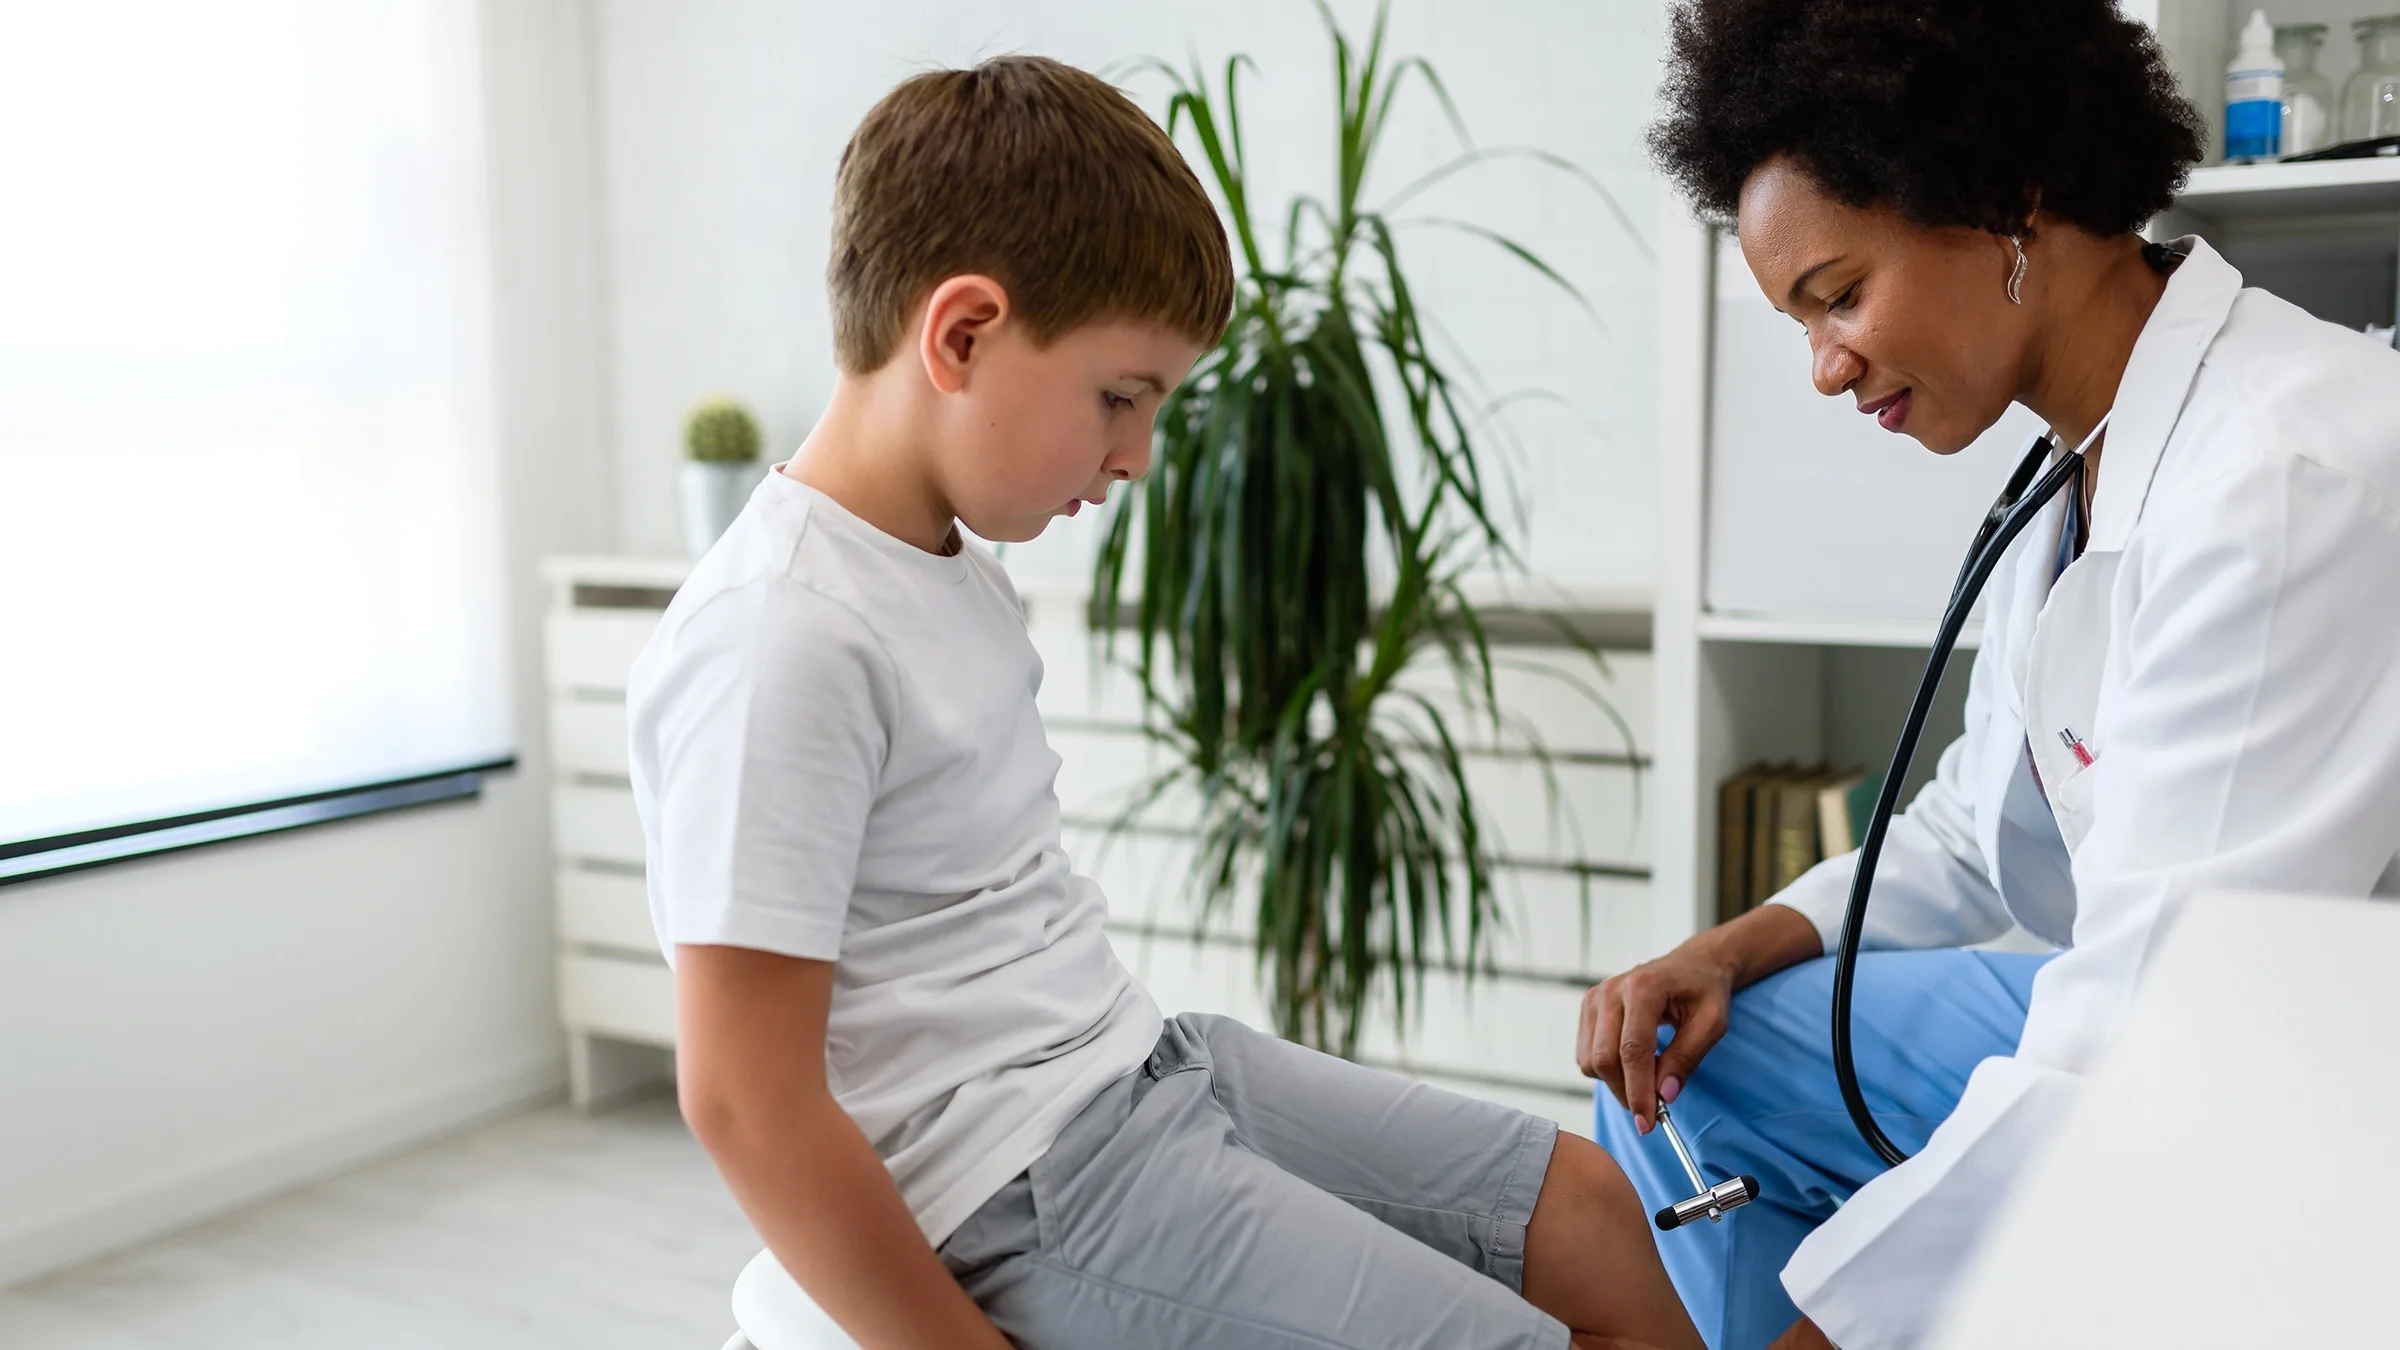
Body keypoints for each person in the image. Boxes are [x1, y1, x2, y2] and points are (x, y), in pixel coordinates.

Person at [628, 54, 1703, 1350]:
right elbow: (744, 1096)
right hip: (1015, 1186)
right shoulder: (782, 635)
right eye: (1119, 397)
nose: (1136, 456)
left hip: (1144, 1065)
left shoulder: (953, 570)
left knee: (1594, 1214)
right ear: (961, 334)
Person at [1573, 2, 2400, 1348]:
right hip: (2181, 1018)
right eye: (1799, 318)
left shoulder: (2281, 477)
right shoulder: (2082, 453)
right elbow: (1979, 815)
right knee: (1676, 1063)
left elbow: (2150, 1029)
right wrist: (1722, 948)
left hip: (2329, 1078)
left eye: (1840, 295)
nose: (1827, 366)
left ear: (2009, 199)